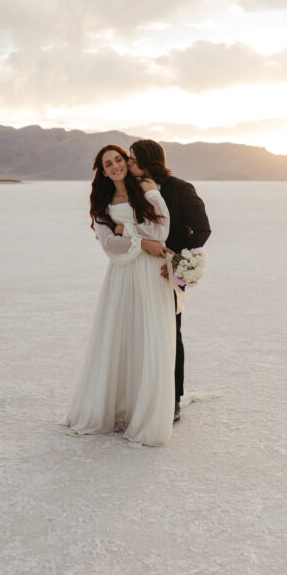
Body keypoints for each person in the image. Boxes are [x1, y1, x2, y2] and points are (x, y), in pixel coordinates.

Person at [63, 144, 176, 447]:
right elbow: (108, 246)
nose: (115, 166)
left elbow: (160, 231)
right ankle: (117, 407)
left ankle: (145, 412)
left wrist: (126, 230)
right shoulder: (102, 202)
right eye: (107, 164)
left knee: (149, 337)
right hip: (122, 277)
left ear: (127, 161)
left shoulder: (147, 188)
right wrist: (142, 243)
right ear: (102, 170)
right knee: (121, 336)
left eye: (118, 160)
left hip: (151, 275)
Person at [128, 140, 211, 423]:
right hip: (138, 269)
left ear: (148, 161)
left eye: (132, 159)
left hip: (168, 272)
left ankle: (173, 399)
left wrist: (178, 263)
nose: (128, 164)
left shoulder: (180, 189)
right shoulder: (130, 190)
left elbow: (202, 228)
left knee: (170, 333)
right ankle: (142, 393)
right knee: (139, 331)